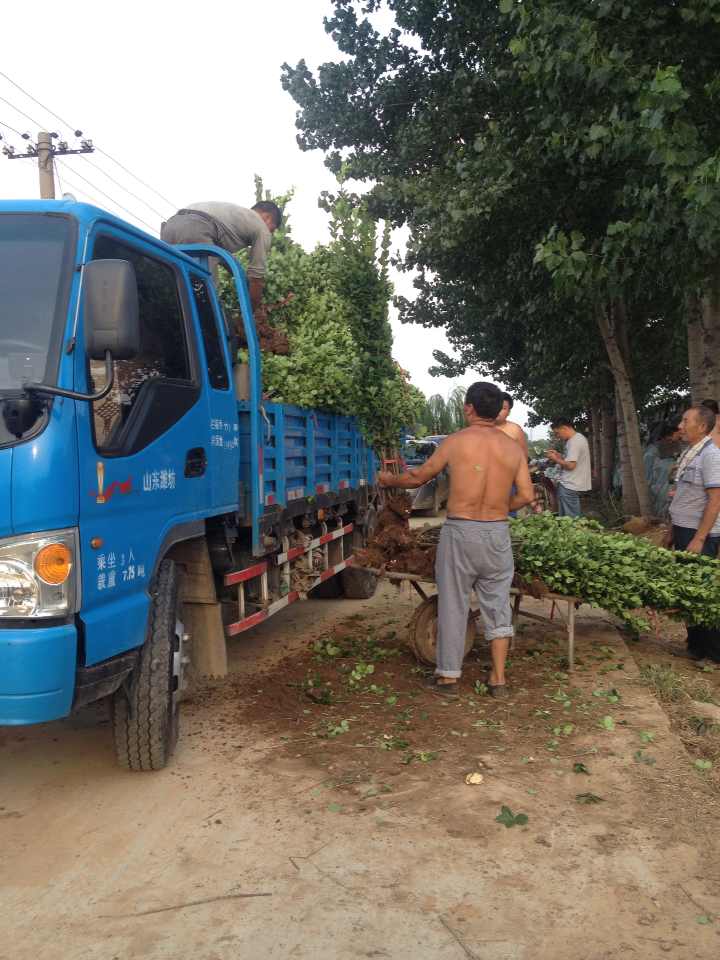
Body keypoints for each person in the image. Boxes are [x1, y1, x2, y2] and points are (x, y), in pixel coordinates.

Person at [377, 381, 534, 698]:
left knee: (453, 603)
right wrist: (501, 507)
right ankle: (498, 679)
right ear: (497, 409)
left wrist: (388, 478)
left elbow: (418, 477)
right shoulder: (512, 449)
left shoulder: (456, 442)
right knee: (498, 604)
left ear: (469, 408)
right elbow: (527, 495)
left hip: (460, 531)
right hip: (497, 532)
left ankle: (448, 678)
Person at [161, 201, 282, 311]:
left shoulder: (235, 215)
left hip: (171, 226)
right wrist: (252, 311)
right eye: (273, 229)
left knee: (170, 286)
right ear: (267, 217)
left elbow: (223, 255)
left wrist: (240, 276)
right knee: (206, 295)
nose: (270, 233)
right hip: (197, 229)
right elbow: (256, 278)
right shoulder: (261, 228)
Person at [668, 405, 720, 661]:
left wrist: (700, 538)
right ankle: (696, 644)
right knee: (689, 590)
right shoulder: (692, 453)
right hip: (684, 529)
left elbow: (715, 500)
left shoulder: (711, 456)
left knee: (701, 592)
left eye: (685, 420)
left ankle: (711, 652)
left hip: (699, 535)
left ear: (701, 427)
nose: (680, 425)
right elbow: (687, 495)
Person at [546, 418, 592, 518]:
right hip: (570, 483)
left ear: (564, 428)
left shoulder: (575, 441)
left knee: (571, 518)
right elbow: (571, 460)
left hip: (570, 484)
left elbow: (571, 465)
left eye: (557, 433)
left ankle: (576, 533)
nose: (558, 437)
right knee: (566, 517)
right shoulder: (575, 439)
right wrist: (559, 456)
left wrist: (555, 459)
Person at [496, 392, 529, 457]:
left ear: (509, 412)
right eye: (496, 406)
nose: (498, 410)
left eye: (503, 408)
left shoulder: (516, 430)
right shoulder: (481, 427)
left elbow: (524, 457)